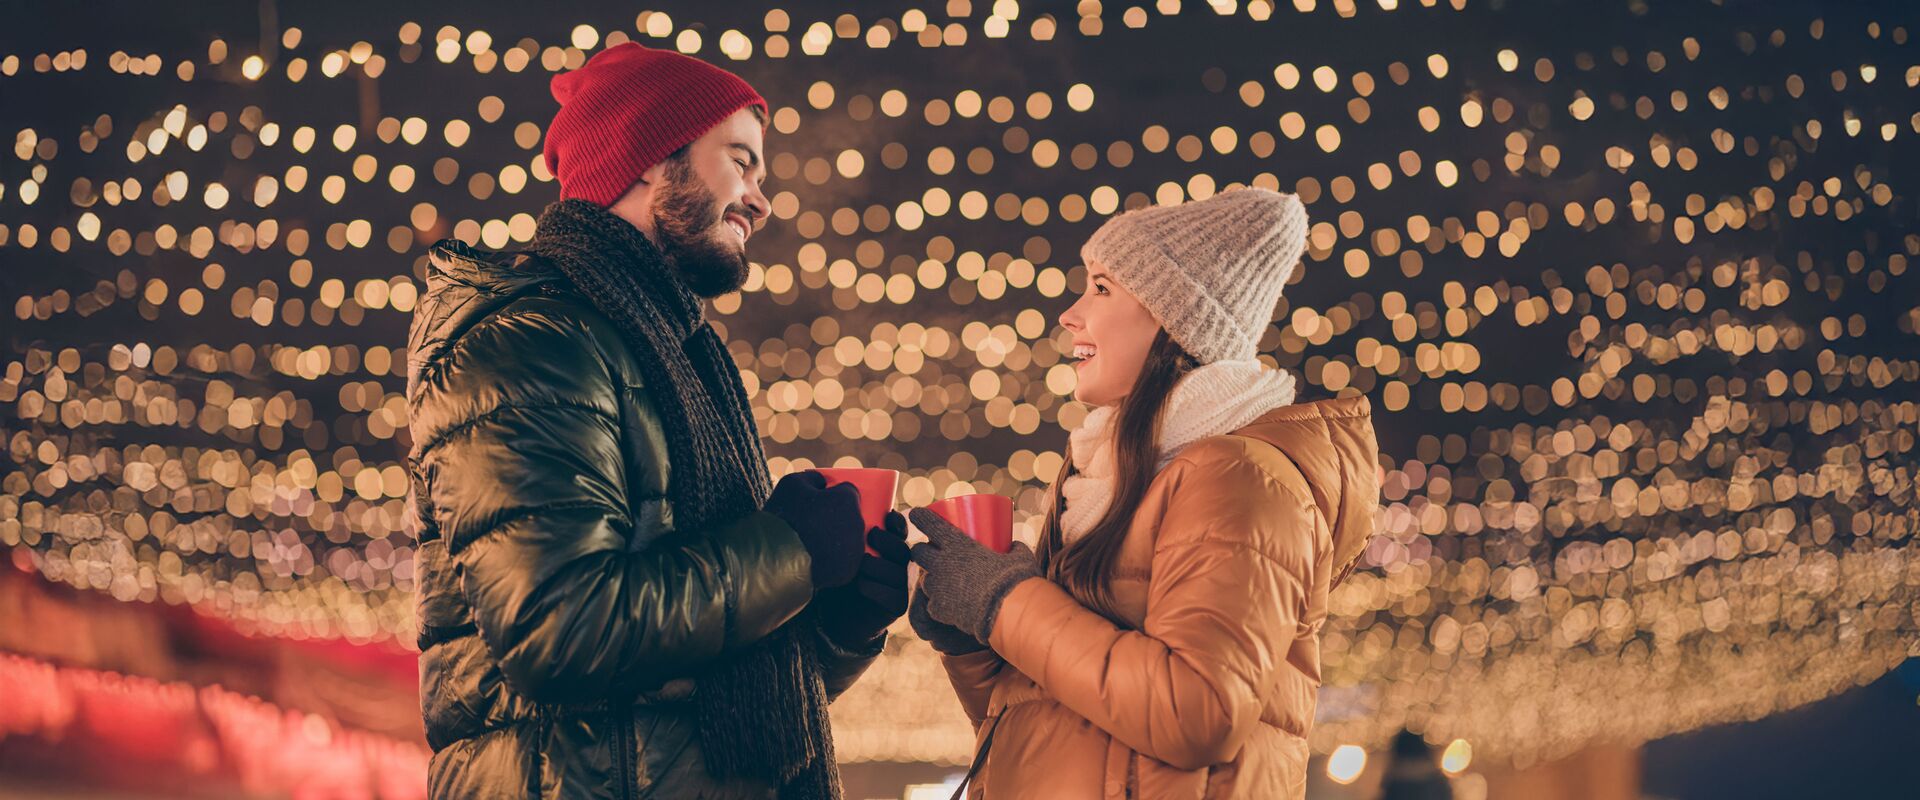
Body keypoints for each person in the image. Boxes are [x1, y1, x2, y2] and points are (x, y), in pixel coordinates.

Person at [405, 43, 907, 799]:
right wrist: (787, 551)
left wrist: (833, 615)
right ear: (647, 159)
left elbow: (688, 718)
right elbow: (560, 634)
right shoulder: (535, 344)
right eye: (739, 160)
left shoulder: (671, 354)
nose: (760, 200)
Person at [907, 188, 1381, 798]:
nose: (1070, 315)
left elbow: (1199, 712)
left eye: (1102, 288)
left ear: (1176, 319)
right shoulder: (1103, 482)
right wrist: (972, 638)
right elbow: (1057, 727)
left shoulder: (1237, 477)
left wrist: (1004, 602)